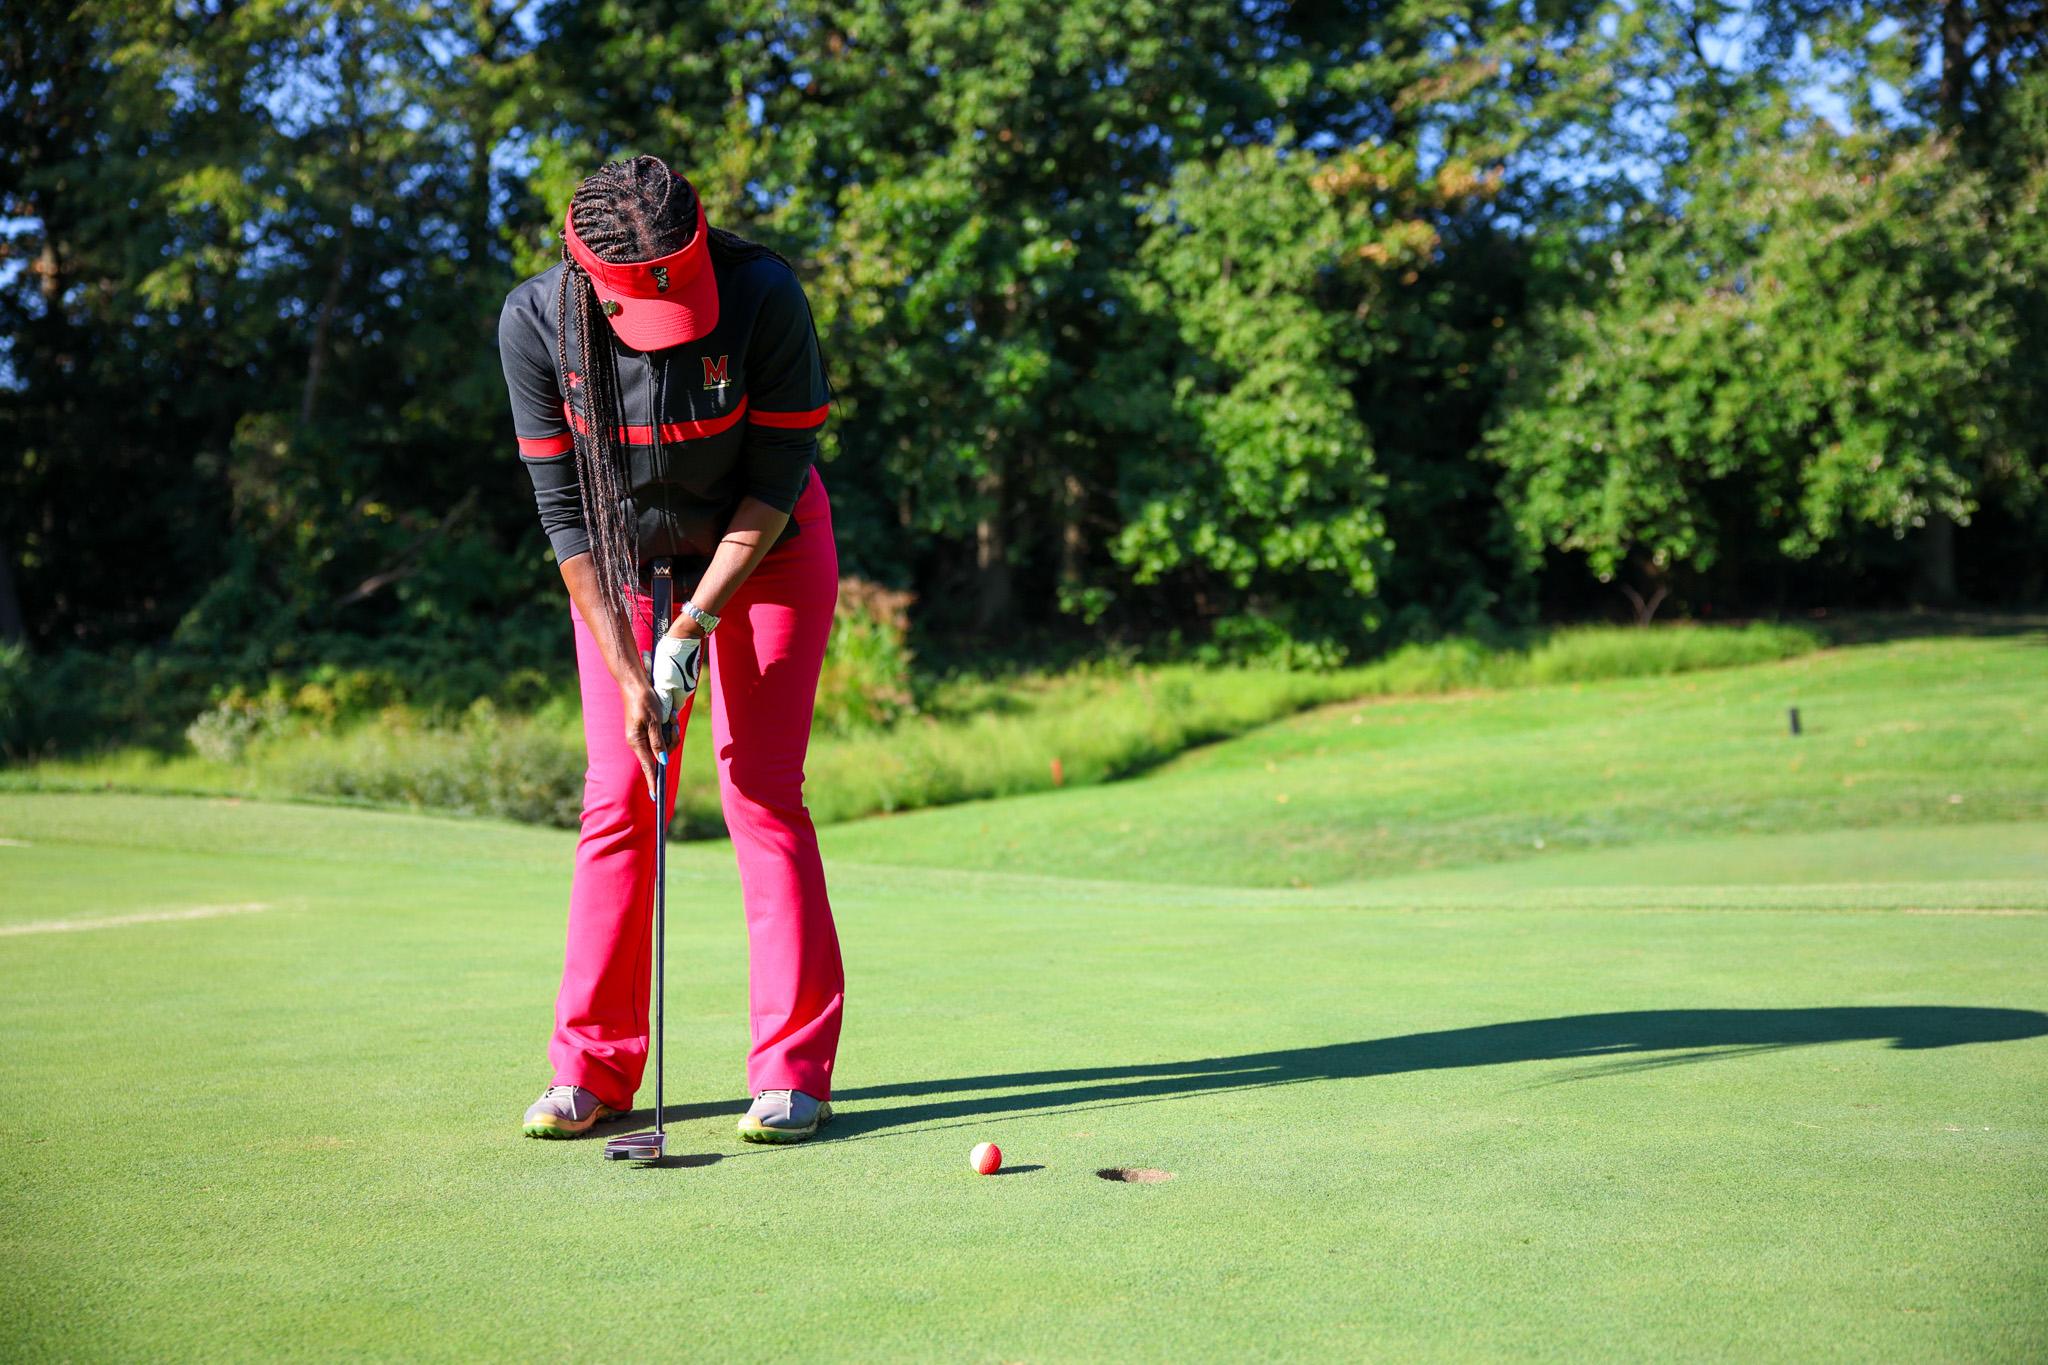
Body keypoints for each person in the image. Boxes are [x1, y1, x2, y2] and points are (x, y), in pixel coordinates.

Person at [495, 155, 843, 1144]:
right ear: (587, 279)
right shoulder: (534, 324)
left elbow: (778, 477)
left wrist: (693, 627)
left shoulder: (764, 295)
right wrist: (624, 662)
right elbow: (563, 513)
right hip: (619, 569)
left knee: (759, 787)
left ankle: (791, 1073)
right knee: (620, 793)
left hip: (761, 549)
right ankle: (590, 1073)